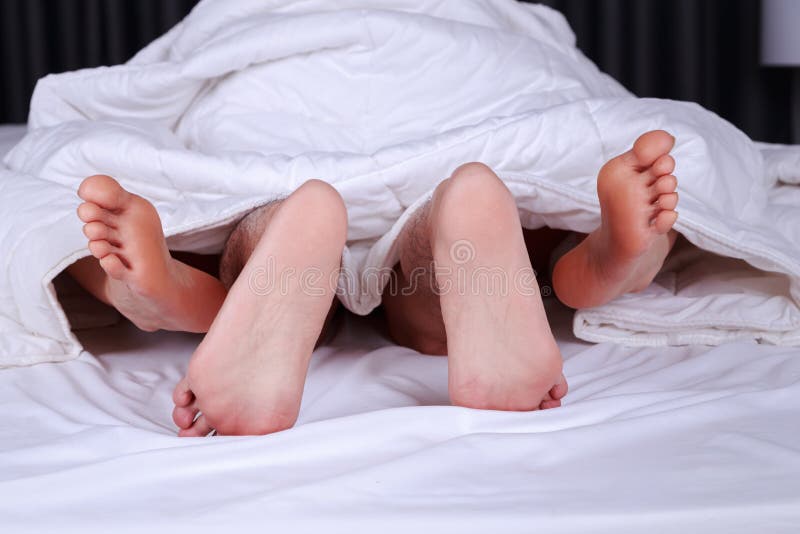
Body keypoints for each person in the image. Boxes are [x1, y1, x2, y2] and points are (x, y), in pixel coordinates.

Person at [67, 130, 679, 436]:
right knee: (448, 263)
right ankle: (599, 262)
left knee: (253, 241)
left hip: (278, 128)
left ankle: (172, 290)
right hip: (453, 135)